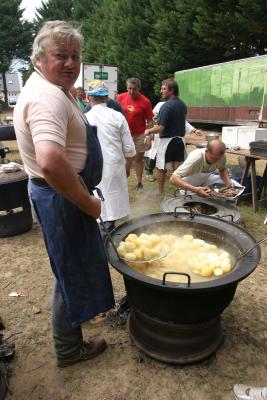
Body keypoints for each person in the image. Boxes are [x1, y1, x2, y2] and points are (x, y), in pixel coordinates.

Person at [13, 20, 115, 368]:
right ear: (39, 58)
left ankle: (73, 330)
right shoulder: (46, 99)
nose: (71, 63)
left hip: (58, 194)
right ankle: (69, 350)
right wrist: (87, 201)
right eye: (61, 56)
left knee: (68, 267)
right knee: (68, 272)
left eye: (75, 56)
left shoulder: (50, 88)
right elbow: (51, 161)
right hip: (62, 197)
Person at [85, 80, 136, 237]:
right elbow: (129, 149)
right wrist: (128, 165)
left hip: (92, 169)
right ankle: (107, 239)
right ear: (107, 98)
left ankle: (107, 234)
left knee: (102, 207)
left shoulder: (84, 118)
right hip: (114, 165)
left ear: (88, 97)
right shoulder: (117, 116)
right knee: (112, 205)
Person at [144, 78, 187, 194]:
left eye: (163, 89)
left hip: (167, 141)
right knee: (177, 167)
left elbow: (160, 128)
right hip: (180, 140)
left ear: (171, 90)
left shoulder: (166, 106)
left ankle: (160, 192)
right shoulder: (182, 104)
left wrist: (148, 131)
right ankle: (181, 192)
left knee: (160, 167)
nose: (161, 91)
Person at [117, 77, 154, 191]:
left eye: (134, 89)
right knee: (124, 159)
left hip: (139, 134)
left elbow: (150, 120)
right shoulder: (119, 98)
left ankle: (139, 183)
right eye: (129, 88)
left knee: (138, 158)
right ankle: (122, 183)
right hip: (123, 134)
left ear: (139, 88)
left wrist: (149, 136)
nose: (131, 91)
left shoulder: (145, 101)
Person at [170, 139, 240, 197]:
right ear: (206, 151)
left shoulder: (220, 156)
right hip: (189, 187)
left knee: (236, 185)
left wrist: (228, 181)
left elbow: (222, 169)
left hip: (205, 181)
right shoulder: (196, 158)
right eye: (213, 158)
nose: (216, 161)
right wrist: (195, 189)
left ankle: (228, 203)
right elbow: (173, 179)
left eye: (218, 159)